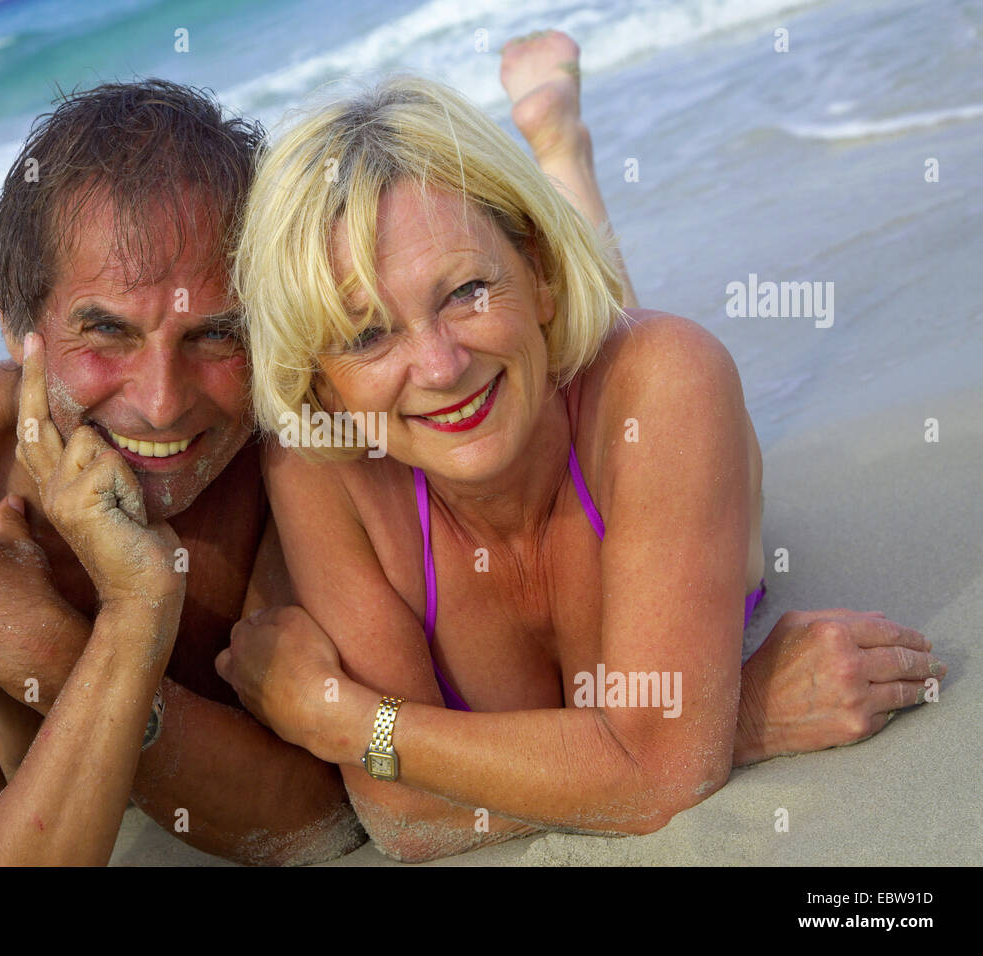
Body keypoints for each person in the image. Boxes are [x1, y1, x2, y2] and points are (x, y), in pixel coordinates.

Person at [0, 33, 937, 866]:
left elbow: (326, 804)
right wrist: (104, 634)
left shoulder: (308, 406)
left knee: (585, 329)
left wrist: (67, 648)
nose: (167, 402)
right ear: (24, 334)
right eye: (104, 334)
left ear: (269, 335)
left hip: (574, 355)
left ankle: (554, 143)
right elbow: (375, 811)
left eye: (219, 334)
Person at [215, 66, 945, 863]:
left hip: (608, 406)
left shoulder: (667, 381)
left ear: (538, 272)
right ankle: (546, 159)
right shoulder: (319, 469)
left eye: (465, 289)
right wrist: (735, 720)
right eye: (366, 336)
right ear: (320, 379)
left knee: (621, 340)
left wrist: (352, 724)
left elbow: (655, 768)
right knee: (525, 370)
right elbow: (404, 813)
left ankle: (563, 154)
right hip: (545, 390)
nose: (436, 363)